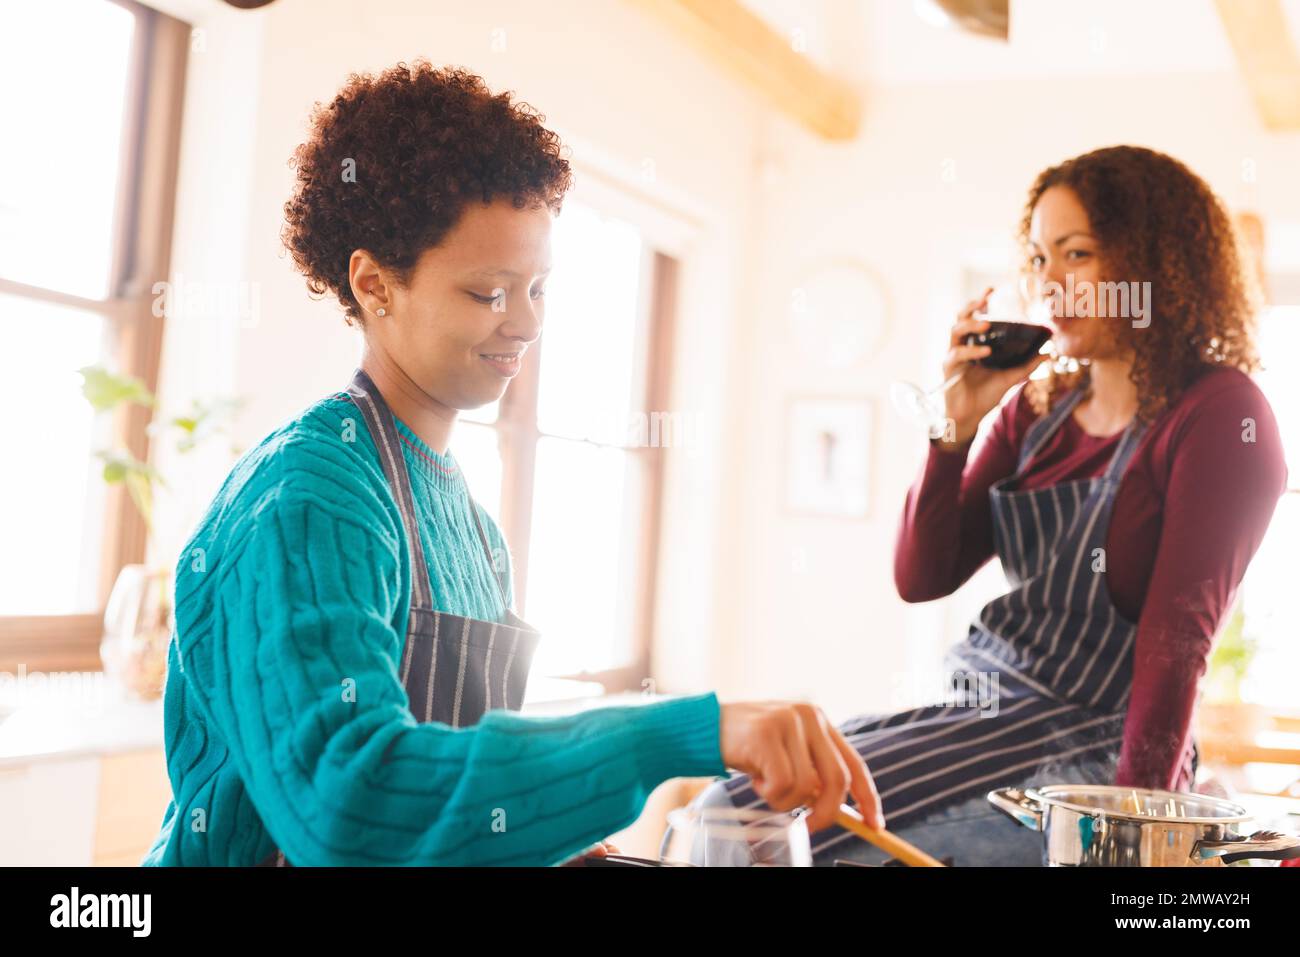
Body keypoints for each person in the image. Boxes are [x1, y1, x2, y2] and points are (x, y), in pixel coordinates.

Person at [142, 61, 882, 867]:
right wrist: (688, 732)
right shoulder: (309, 499)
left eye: (538, 287)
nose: (525, 322)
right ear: (374, 284)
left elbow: (456, 808)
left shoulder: (474, 530)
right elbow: (350, 810)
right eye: (488, 291)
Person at [693, 145, 1288, 866]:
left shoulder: (1221, 414)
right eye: (1039, 259)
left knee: (825, 851)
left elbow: (1176, 648)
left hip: (1097, 749)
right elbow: (922, 576)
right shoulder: (1038, 409)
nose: (1051, 284)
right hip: (975, 710)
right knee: (732, 813)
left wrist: (1131, 839)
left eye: (1077, 254)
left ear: (1153, 261)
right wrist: (955, 431)